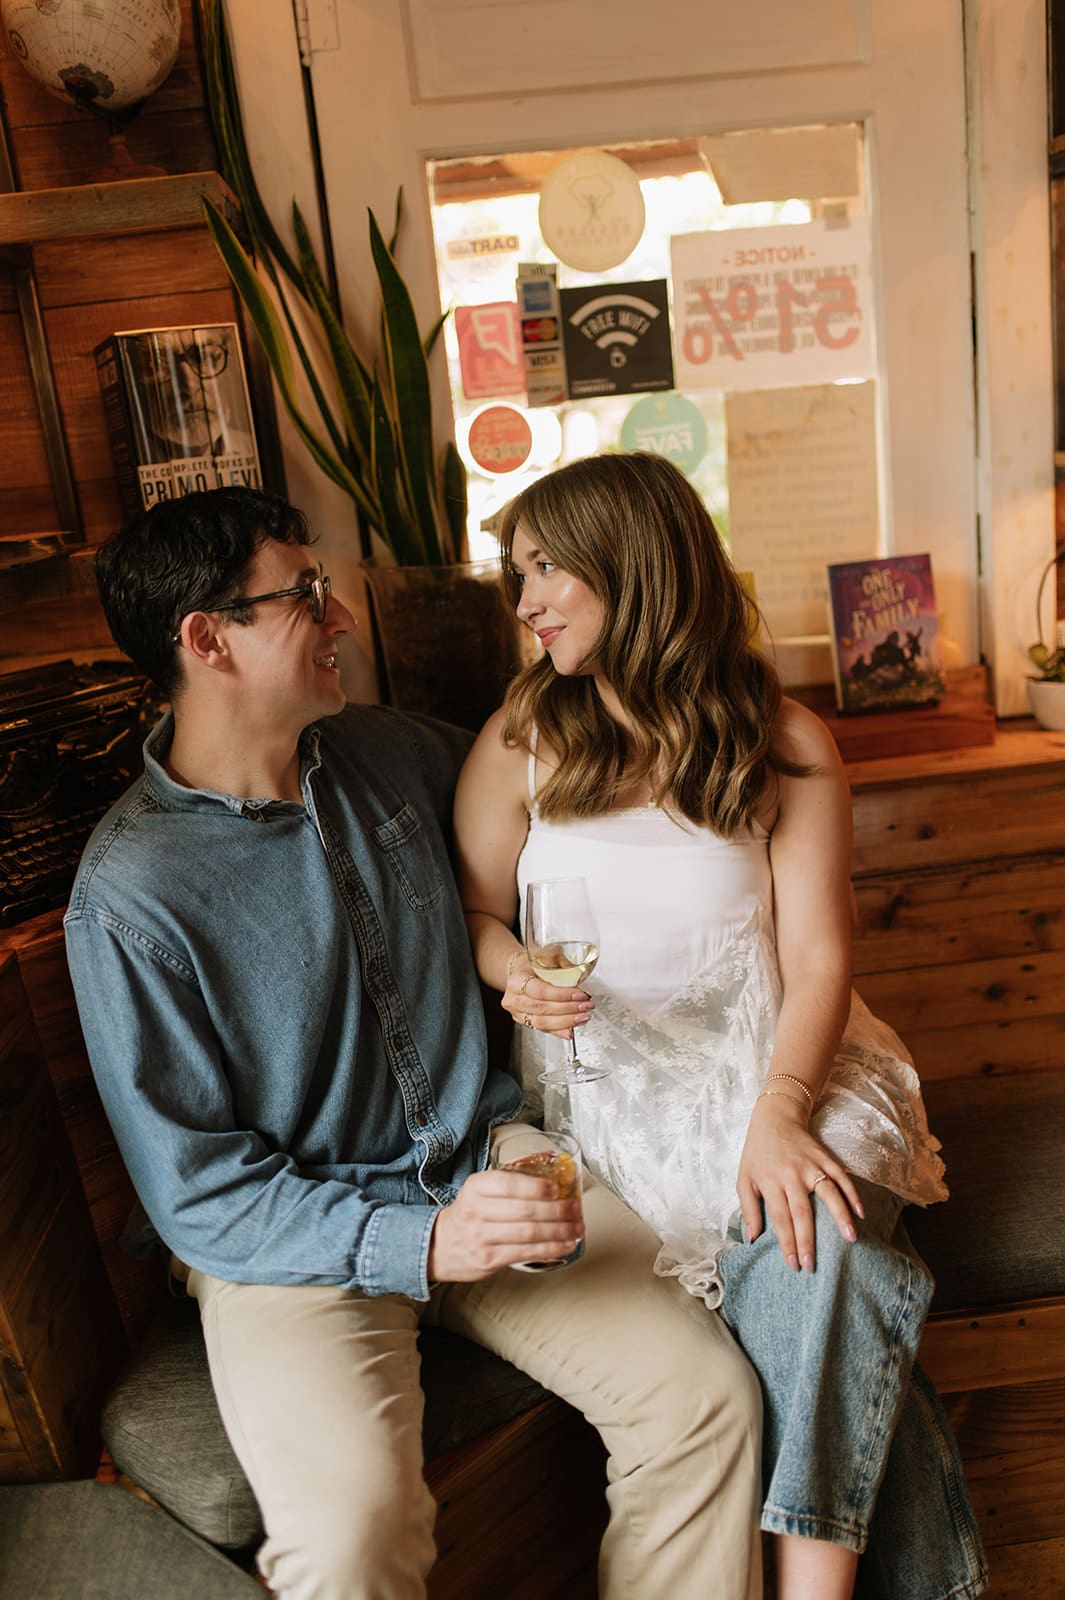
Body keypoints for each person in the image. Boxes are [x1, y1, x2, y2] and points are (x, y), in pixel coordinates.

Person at [63, 485, 765, 1600]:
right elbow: (199, 1198)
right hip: (291, 1244)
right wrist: (424, 1243)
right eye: (303, 595)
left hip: (493, 1159)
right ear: (207, 640)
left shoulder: (401, 754)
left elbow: (591, 767)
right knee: (348, 1539)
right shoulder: (129, 899)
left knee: (705, 1402)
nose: (339, 615)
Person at [454, 452, 989, 1600]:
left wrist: (782, 1112)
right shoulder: (523, 736)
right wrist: (513, 974)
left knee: (822, 1243)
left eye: (549, 567)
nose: (527, 599)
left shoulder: (779, 737)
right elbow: (476, 911)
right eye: (518, 574)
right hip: (607, 1105)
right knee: (835, 1295)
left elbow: (820, 957)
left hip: (781, 1063)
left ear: (634, 563)